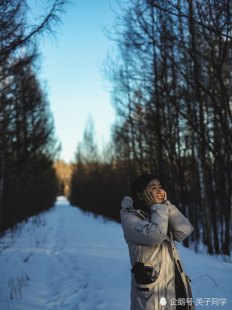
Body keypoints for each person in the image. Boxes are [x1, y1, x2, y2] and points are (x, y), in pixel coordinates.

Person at [120, 173, 195, 310]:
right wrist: (158, 207)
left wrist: (166, 204)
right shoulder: (130, 217)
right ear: (141, 195)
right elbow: (156, 235)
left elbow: (184, 231)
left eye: (160, 186)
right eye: (153, 187)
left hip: (174, 282)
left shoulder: (159, 211)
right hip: (153, 289)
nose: (159, 190)